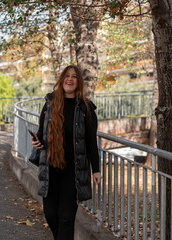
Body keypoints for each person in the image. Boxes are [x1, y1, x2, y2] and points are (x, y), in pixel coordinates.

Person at [30, 65, 101, 240]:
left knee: (67, 218)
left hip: (73, 171)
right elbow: (41, 133)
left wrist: (96, 169)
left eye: (74, 77)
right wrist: (36, 141)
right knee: (51, 215)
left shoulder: (86, 108)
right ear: (62, 80)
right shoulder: (49, 104)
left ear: (79, 82)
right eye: (67, 76)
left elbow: (91, 141)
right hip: (50, 168)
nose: (70, 79)